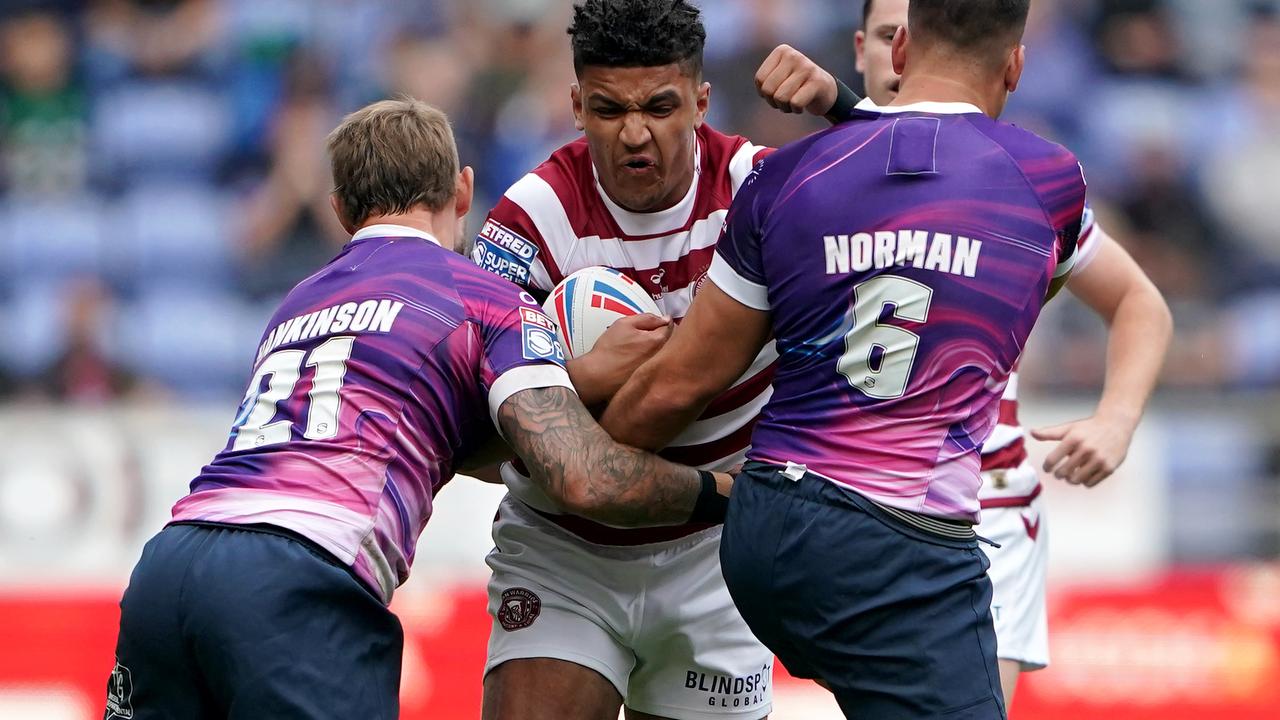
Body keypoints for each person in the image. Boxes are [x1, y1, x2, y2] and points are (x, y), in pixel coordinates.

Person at [105, 98, 730, 720]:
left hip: (170, 566)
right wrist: (726, 493)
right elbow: (582, 475)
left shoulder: (295, 302)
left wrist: (579, 378)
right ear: (463, 190)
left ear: (341, 210)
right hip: (299, 578)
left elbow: (418, 422)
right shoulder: (486, 298)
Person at [601, 0, 1094, 716]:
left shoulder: (784, 178)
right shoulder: (1052, 182)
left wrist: (572, 452)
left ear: (899, 54)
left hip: (766, 528)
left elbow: (680, 384)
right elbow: (1015, 302)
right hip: (902, 544)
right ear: (1015, 67)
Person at [470, 2, 852, 718]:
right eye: (610, 109)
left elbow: (919, 207)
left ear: (701, 100)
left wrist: (844, 108)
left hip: (718, 557)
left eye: (660, 107)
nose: (636, 133)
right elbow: (465, 440)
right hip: (565, 551)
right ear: (577, 103)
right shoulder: (528, 223)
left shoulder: (764, 192)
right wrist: (578, 381)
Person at [848, 0, 1171, 708]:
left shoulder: (1021, 180)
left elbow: (1140, 303)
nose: (906, 52)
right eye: (887, 35)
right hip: (832, 506)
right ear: (868, 49)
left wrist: (1116, 418)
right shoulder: (805, 176)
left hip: (983, 512)